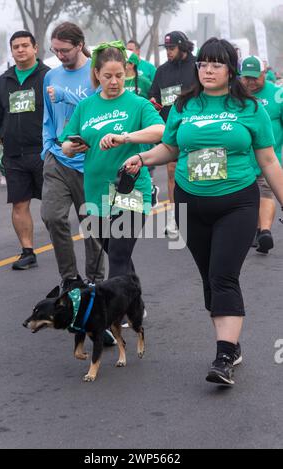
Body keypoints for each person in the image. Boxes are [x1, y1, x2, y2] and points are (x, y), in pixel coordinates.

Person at [124, 37, 283, 386]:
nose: (208, 70)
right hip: (190, 202)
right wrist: (141, 158)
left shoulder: (251, 109)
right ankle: (233, 344)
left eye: (216, 64)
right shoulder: (184, 105)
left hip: (237, 203)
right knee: (211, 279)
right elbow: (169, 147)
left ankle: (223, 356)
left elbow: (269, 160)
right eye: (203, 64)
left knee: (224, 275)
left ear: (231, 69)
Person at [60, 41, 164, 288]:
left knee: (118, 253)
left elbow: (160, 130)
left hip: (130, 189)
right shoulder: (86, 106)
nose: (115, 81)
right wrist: (71, 147)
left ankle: (112, 316)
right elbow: (65, 142)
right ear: (97, 73)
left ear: (127, 72)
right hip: (95, 191)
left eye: (120, 75)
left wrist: (126, 137)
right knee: (117, 252)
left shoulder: (138, 104)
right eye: (108, 76)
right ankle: (134, 301)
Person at [41, 22, 105, 292]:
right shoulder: (51, 77)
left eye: (64, 50)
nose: (60, 56)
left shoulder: (96, 74)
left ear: (79, 45)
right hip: (57, 157)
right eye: (55, 50)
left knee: (92, 226)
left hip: (89, 160)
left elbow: (99, 113)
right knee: (52, 216)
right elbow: (47, 117)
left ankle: (95, 280)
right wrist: (46, 148)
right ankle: (70, 278)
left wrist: (68, 97)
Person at [0, 31, 49, 270]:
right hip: (13, 153)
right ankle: (27, 251)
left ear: (35, 47)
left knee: (51, 204)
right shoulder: (4, 80)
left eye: (25, 45)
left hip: (44, 151)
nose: (20, 50)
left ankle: (61, 244)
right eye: (16, 47)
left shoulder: (48, 77)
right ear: (11, 51)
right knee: (19, 204)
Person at [150, 31, 197, 237]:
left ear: (183, 47)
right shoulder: (162, 71)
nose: (168, 52)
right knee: (172, 171)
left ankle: (199, 212)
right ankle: (175, 215)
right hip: (171, 128)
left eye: (172, 48)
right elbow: (154, 96)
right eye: (166, 49)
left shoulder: (198, 67)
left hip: (196, 129)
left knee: (195, 171)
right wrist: (153, 103)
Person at [241, 56, 283, 254]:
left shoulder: (277, 95)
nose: (249, 82)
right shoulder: (236, 95)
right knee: (248, 196)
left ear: (264, 74)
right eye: (246, 77)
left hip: (268, 157)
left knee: (265, 191)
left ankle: (264, 231)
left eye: (254, 77)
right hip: (241, 159)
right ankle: (254, 229)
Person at [125, 52, 159, 208]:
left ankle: (149, 188)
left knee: (143, 159)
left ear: (131, 64)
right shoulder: (117, 82)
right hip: (125, 130)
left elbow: (153, 98)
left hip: (142, 130)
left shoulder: (144, 82)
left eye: (124, 63)